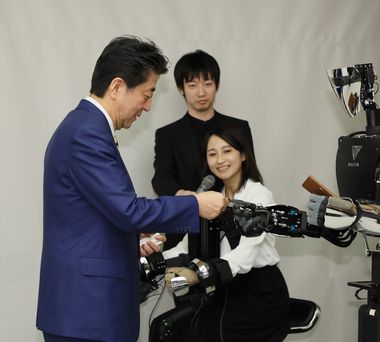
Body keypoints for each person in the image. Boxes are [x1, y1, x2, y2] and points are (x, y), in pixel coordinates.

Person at [36, 36, 227, 342]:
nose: (149, 106)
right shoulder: (86, 133)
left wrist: (130, 237)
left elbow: (99, 214)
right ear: (116, 87)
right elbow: (128, 210)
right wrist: (196, 205)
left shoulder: (84, 128)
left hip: (86, 311)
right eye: (147, 94)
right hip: (88, 313)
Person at [161, 126, 290, 342]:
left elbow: (245, 256)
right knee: (167, 328)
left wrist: (197, 273)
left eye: (227, 151)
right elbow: (184, 246)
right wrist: (154, 257)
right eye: (212, 154)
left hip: (257, 295)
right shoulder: (212, 198)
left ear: (243, 155)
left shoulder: (258, 195)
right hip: (222, 291)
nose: (220, 160)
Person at [151, 49, 254, 249]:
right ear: (181, 88)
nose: (201, 92)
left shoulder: (239, 128)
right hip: (188, 226)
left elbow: (250, 174)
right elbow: (161, 180)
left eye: (208, 84)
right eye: (192, 85)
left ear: (217, 85)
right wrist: (191, 199)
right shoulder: (167, 134)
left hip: (234, 226)